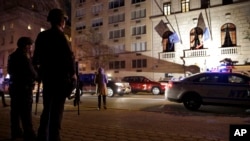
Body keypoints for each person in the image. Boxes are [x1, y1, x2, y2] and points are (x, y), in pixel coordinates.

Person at [32, 8, 76, 141]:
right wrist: (73, 74)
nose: (64, 23)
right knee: (57, 111)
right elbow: (69, 57)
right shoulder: (61, 36)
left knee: (47, 109)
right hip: (60, 79)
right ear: (61, 21)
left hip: (47, 78)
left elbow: (35, 59)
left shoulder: (42, 36)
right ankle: (54, 137)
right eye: (64, 20)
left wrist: (40, 74)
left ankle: (42, 135)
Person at [7, 37, 37, 141]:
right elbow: (32, 72)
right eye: (30, 45)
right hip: (25, 89)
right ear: (26, 46)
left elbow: (10, 71)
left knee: (14, 112)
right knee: (26, 113)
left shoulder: (12, 56)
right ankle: (28, 133)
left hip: (15, 88)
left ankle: (15, 132)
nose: (31, 47)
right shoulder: (24, 57)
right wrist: (37, 76)